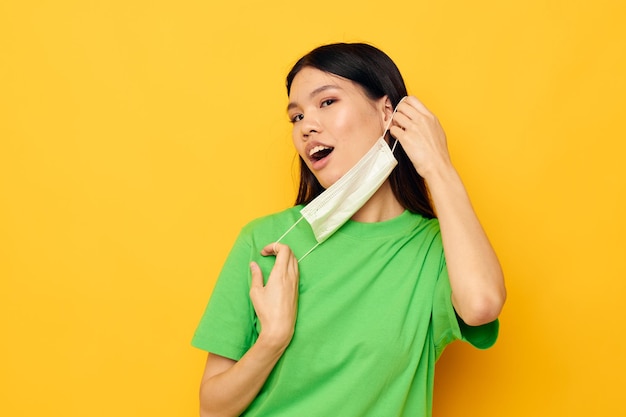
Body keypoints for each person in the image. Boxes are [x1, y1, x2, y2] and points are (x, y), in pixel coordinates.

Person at [191, 42, 506, 417]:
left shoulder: (435, 251)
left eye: (327, 102)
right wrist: (272, 340)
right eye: (296, 117)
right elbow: (213, 410)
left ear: (387, 112)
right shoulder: (265, 241)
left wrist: (438, 165)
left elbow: (482, 305)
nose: (307, 126)